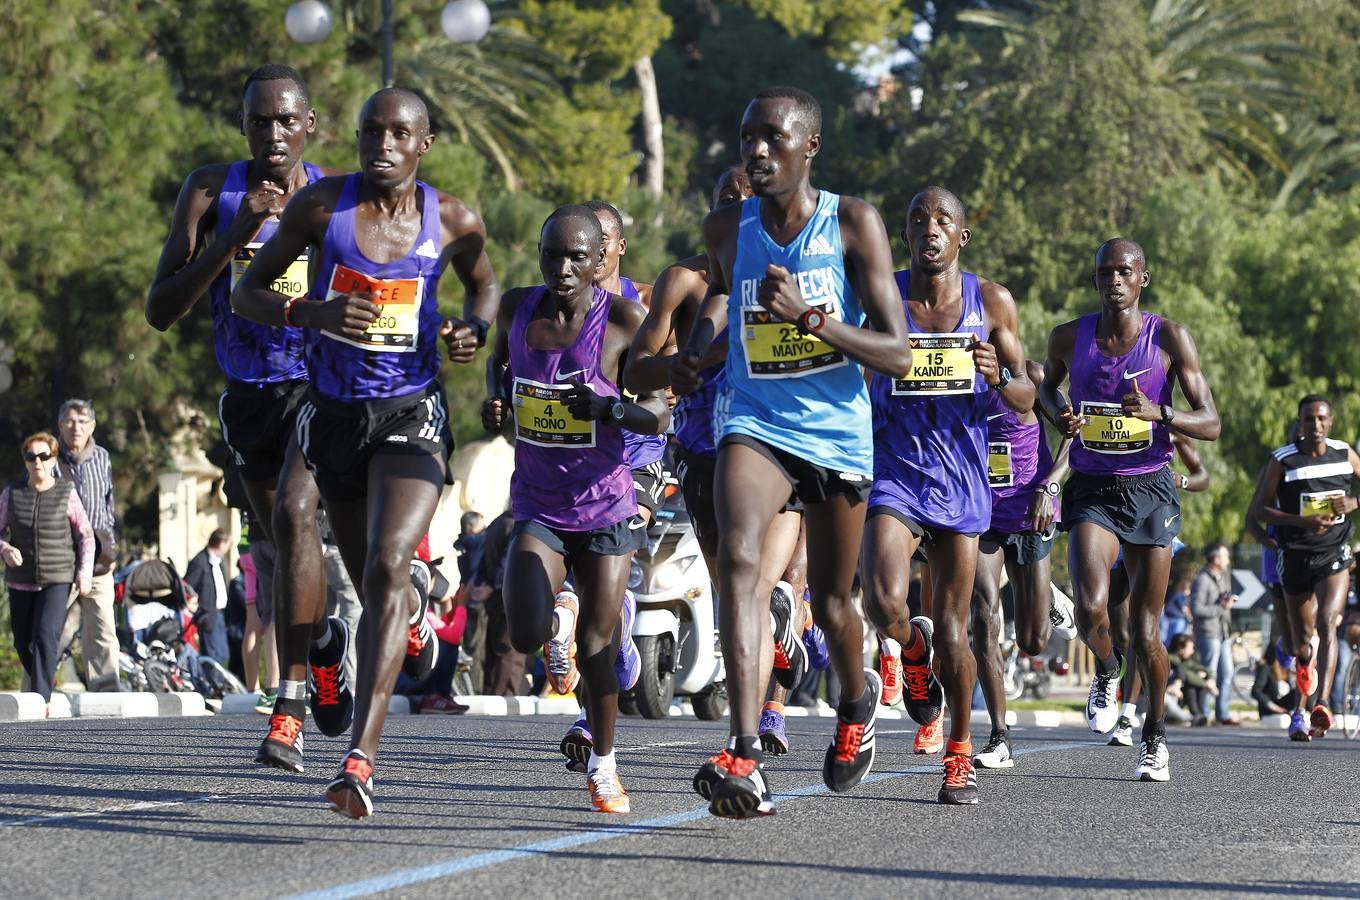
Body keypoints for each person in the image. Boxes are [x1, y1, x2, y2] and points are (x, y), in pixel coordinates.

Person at [233, 86, 499, 817]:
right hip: (335, 417)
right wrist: (310, 311)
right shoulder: (321, 211)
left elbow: (485, 285)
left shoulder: (451, 218)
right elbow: (247, 294)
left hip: (411, 413)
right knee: (363, 569)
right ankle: (371, 627)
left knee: (385, 564)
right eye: (371, 132)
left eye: (399, 133)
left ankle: (361, 757)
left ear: (425, 144)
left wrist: (474, 331)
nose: (383, 144)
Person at [671, 86, 911, 818]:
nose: (758, 151)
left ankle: (856, 699)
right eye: (748, 137)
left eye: (774, 138)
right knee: (740, 565)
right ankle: (744, 751)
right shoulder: (726, 227)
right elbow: (721, 301)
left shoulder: (853, 224)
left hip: (837, 432)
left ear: (810, 147)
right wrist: (696, 352)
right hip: (754, 421)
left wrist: (810, 319)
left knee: (840, 603)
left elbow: (897, 353)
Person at [145, 64, 354, 767]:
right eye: (259, 121)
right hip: (246, 398)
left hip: (316, 390)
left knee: (298, 519)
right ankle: (325, 643)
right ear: (244, 126)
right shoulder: (210, 191)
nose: (272, 135)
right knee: (284, 548)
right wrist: (233, 236)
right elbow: (161, 310)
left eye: (286, 121)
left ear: (310, 126)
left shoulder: (334, 202)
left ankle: (288, 707)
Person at [621, 165, 815, 757]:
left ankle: (759, 725)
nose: (738, 208)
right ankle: (758, 708)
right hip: (706, 451)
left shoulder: (798, 275)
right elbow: (636, 368)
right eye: (725, 200)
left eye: (749, 199)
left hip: (783, 444)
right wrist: (676, 368)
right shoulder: (682, 282)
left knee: (764, 586)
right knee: (739, 595)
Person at [481, 204, 669, 813]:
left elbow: (659, 413)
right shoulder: (516, 308)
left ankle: (605, 765)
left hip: (606, 507)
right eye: (551, 255)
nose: (562, 268)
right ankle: (556, 622)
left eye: (576, 258)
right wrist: (496, 400)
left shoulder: (623, 319)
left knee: (598, 647)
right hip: (539, 502)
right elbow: (499, 363)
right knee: (528, 627)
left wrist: (609, 408)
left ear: (600, 261)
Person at [858, 187, 1033, 804]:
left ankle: (959, 752)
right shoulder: (882, 294)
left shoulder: (991, 301)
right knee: (881, 600)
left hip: (961, 480)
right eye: (918, 222)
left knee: (957, 632)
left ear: (963, 236)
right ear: (904, 236)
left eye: (943, 221)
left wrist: (1001, 374)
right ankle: (910, 647)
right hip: (895, 470)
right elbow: (851, 361)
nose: (930, 230)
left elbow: (1027, 396)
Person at [1040, 236, 1220, 782]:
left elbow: (1210, 423)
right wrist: (1061, 415)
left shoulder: (1168, 338)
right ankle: (1108, 670)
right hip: (1093, 487)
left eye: (1124, 272)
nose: (1114, 281)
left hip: (1151, 490)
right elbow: (1045, 390)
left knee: (1147, 631)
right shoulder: (1070, 337)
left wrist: (1160, 412)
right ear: (1095, 281)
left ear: (1143, 278)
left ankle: (1156, 734)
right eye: (1104, 273)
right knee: (1092, 609)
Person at [970, 359, 1075, 771]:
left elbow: (1073, 435)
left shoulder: (1030, 378)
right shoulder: (956, 376)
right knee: (983, 613)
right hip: (982, 517)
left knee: (1033, 640)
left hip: (1032, 513)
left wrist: (1050, 486)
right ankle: (999, 734)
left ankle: (1047, 595)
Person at [1246, 394, 1360, 741]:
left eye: (1322, 419)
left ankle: (1320, 704)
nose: (1316, 426)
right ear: (1299, 423)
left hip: (1334, 553)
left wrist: (1353, 501)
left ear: (1331, 422)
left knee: (1328, 623)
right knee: (1301, 644)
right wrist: (1301, 522)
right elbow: (1260, 511)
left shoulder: (1344, 454)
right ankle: (1299, 707)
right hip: (1295, 555)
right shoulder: (1283, 460)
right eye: (1309, 420)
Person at [1106, 431, 1209, 747]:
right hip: (1110, 515)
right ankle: (1109, 677)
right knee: (1115, 626)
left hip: (1151, 524)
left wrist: (1182, 481)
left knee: (1142, 630)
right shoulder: (1108, 418)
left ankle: (1127, 714)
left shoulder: (1168, 427)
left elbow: (1202, 477)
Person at [1, 433, 95, 705]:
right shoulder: (12, 493)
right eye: (31, 457)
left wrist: (84, 571)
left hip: (58, 578)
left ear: (54, 459)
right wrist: (5, 549)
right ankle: (44, 682)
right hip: (20, 580)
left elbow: (85, 535)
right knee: (22, 642)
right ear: (25, 461)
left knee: (44, 635)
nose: (37, 462)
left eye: (44, 456)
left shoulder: (66, 493)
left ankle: (41, 700)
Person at [53, 399, 121, 692]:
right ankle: (36, 690)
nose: (76, 427)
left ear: (92, 425)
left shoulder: (102, 457)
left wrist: (113, 548)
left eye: (82, 421)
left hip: (99, 561)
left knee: (103, 628)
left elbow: (109, 505)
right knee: (49, 629)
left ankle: (105, 690)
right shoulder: (49, 457)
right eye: (69, 421)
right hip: (59, 558)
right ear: (60, 425)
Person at [1189, 541, 1240, 726]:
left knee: (1226, 673)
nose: (1228, 560)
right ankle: (1204, 713)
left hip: (1224, 633)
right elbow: (1196, 609)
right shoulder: (1202, 579)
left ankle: (1222, 713)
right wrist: (1220, 607)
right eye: (1225, 556)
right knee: (1208, 673)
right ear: (1216, 558)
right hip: (1208, 633)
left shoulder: (1222, 577)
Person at [185, 530, 233, 664]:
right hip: (208, 616)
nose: (228, 548)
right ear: (221, 543)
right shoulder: (200, 561)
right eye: (228, 544)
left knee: (223, 655)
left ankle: (215, 683)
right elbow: (188, 586)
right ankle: (212, 684)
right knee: (213, 657)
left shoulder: (219, 562)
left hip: (220, 615)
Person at [1168, 633, 1214, 725]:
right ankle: (1196, 715)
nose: (1192, 651)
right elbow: (1187, 675)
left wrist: (1209, 677)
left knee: (1197, 687)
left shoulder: (1185, 659)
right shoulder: (1171, 659)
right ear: (1180, 648)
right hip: (1170, 695)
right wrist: (1206, 684)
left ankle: (1200, 715)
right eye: (1190, 648)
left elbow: (1197, 667)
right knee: (1190, 688)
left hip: (1178, 695)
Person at [1251, 644, 1298, 720]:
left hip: (1283, 704)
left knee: (1301, 690)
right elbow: (1255, 691)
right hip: (1271, 707)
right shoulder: (1266, 667)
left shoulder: (1286, 668)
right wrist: (1273, 707)